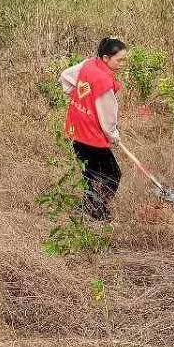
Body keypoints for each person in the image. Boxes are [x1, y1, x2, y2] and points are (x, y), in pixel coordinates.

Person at [60, 37, 128, 221]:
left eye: (124, 59)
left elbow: (66, 76)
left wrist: (77, 98)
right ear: (106, 58)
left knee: (90, 173)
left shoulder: (88, 64)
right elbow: (107, 118)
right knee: (113, 174)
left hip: (76, 127)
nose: (122, 64)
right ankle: (97, 208)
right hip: (90, 134)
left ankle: (89, 206)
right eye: (119, 60)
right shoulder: (104, 81)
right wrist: (113, 135)